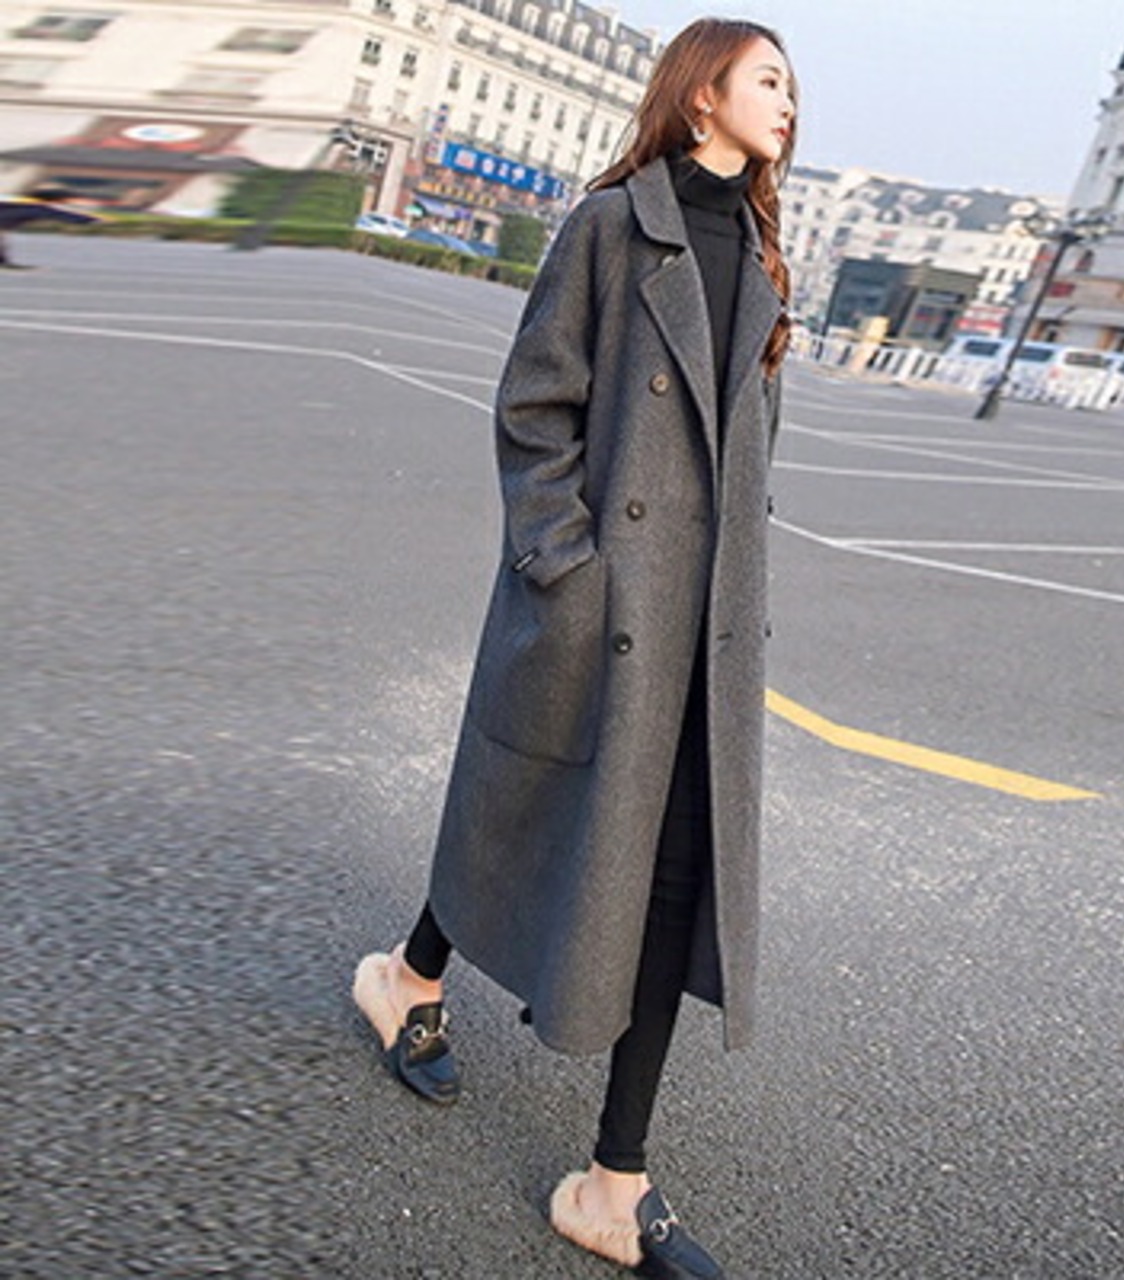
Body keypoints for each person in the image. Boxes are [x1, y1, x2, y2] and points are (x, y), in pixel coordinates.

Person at [353, 17, 796, 1277]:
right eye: (768, 80)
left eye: (792, 87)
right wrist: (567, 564)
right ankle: (407, 974)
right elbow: (533, 404)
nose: (787, 103)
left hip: (703, 632)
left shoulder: (766, 254)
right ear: (700, 95)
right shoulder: (611, 225)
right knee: (527, 810)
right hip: (603, 605)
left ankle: (613, 1180)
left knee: (665, 874)